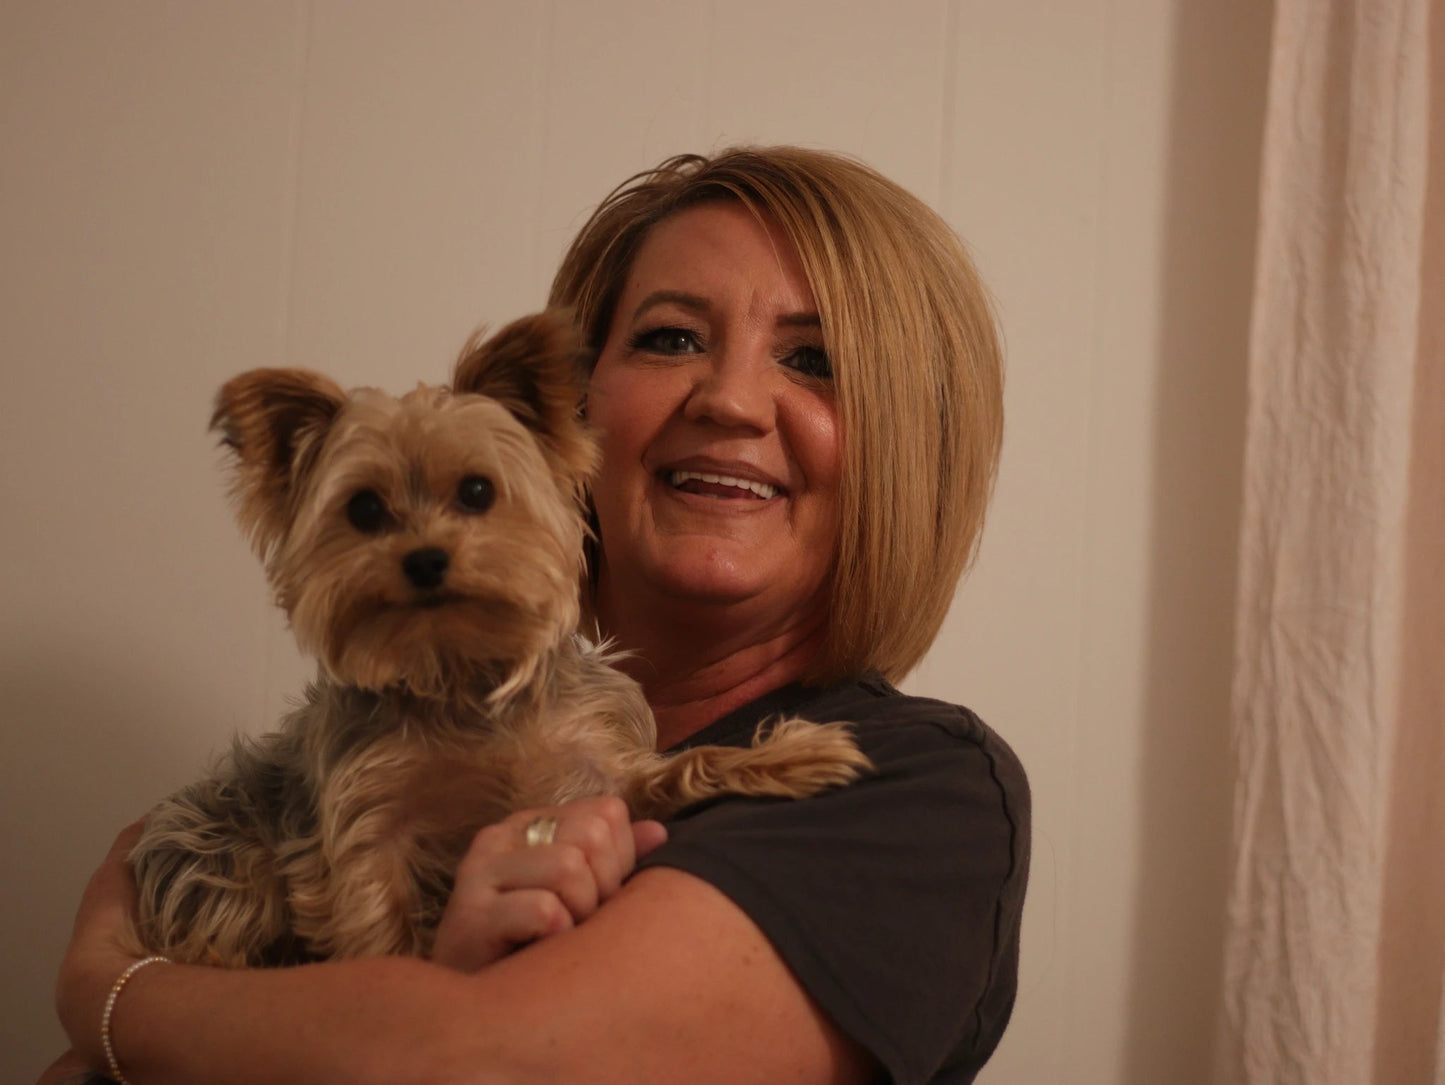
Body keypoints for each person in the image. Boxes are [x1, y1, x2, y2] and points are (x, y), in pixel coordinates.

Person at [45, 146, 1029, 1085]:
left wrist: (109, 992)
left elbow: (481, 1064)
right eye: (671, 337)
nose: (730, 399)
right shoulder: (350, 768)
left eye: (813, 357)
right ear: (577, 412)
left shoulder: (915, 792)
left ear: (907, 449)